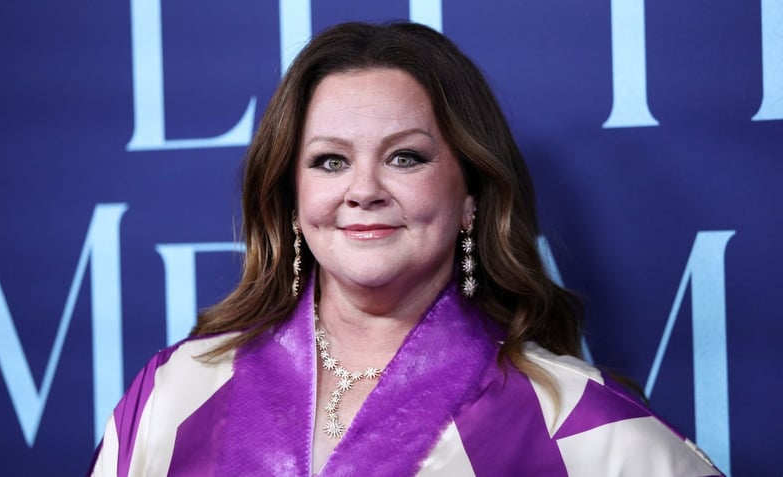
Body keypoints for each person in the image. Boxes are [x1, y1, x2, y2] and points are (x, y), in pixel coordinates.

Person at [88, 21, 722, 476]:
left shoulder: (575, 422)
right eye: (330, 161)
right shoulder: (175, 394)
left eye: (405, 157)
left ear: (471, 193)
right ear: (291, 198)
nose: (363, 190)